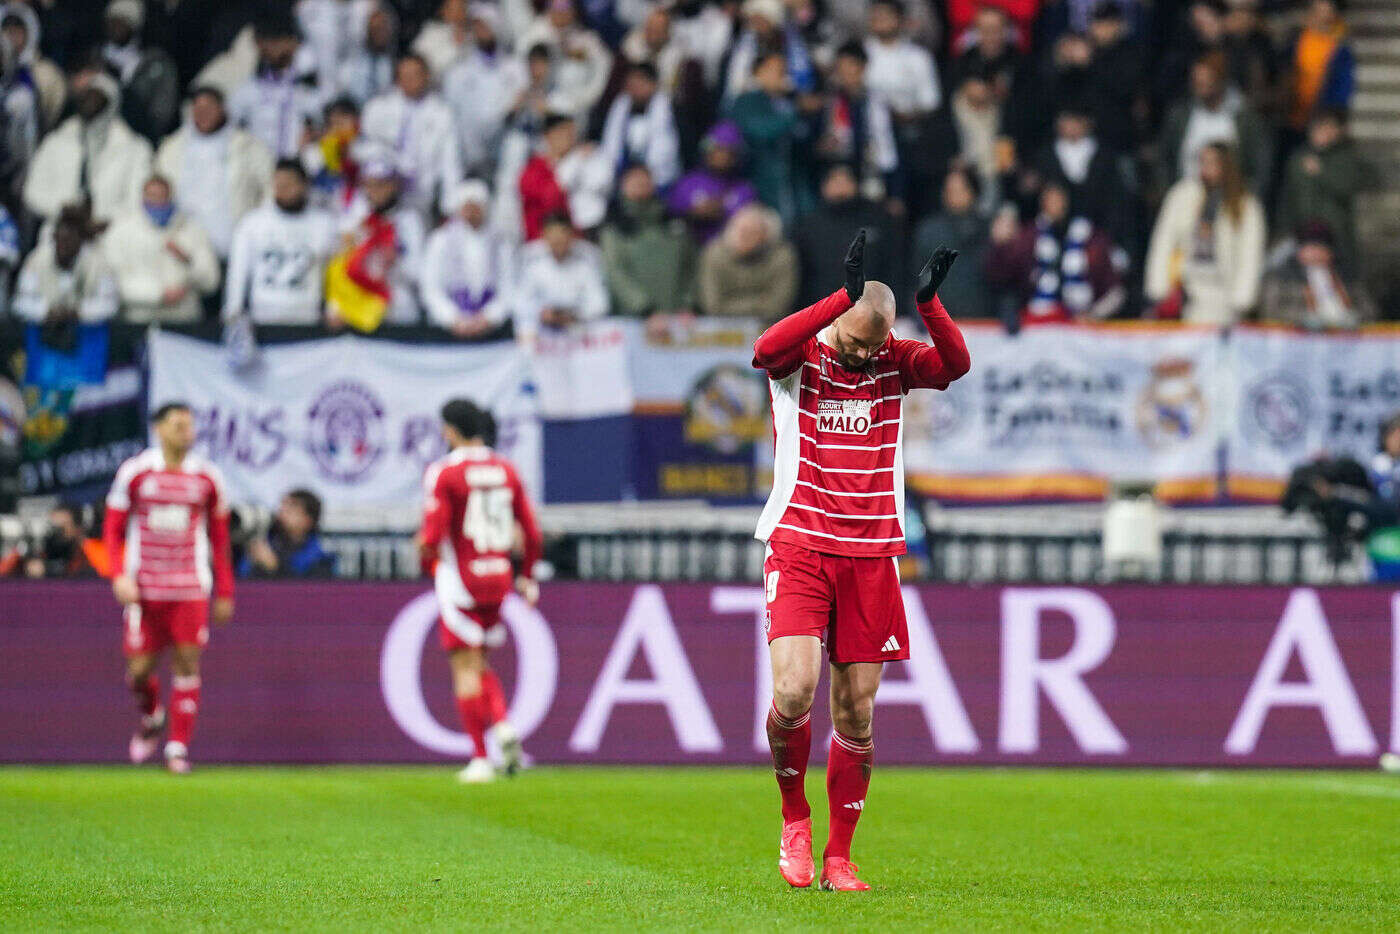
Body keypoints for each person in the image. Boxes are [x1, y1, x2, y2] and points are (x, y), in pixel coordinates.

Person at [752, 231, 969, 891]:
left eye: (873, 346)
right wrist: (836, 299)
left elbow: (953, 366)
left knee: (858, 713)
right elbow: (763, 349)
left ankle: (839, 858)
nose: (861, 356)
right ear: (837, 321)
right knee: (793, 690)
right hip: (801, 538)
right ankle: (795, 818)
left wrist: (930, 306)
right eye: (852, 341)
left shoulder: (893, 360)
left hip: (872, 551)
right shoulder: (803, 356)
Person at [103, 402, 235, 775]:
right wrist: (118, 575)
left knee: (187, 663)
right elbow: (112, 529)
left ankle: (177, 749)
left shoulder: (207, 478)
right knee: (139, 671)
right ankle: (151, 717)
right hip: (144, 589)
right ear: (159, 429)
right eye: (178, 425)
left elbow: (220, 537)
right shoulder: (136, 472)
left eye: (190, 426)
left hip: (190, 588)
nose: (186, 432)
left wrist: (225, 590)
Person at [417, 398, 542, 783]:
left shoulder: (444, 472)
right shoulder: (506, 468)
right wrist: (529, 575)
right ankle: (503, 725)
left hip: (461, 580)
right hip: (498, 575)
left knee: (464, 669)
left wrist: (431, 565)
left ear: (451, 429)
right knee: (481, 663)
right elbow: (532, 531)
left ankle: (479, 757)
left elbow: (432, 536)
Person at [1145, 141, 1264, 325]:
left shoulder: (1245, 204)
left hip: (1223, 292)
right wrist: (1158, 287)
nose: (1205, 168)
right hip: (1185, 289)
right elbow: (1163, 241)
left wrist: (1242, 298)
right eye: (1202, 162)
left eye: (1212, 162)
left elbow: (1250, 253)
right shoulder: (1182, 195)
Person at [155, 86, 275, 262]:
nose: (203, 114)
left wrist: (258, 229)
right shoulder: (171, 148)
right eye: (198, 108)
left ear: (222, 109)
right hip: (187, 249)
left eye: (209, 108)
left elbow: (270, 188)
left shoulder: (249, 146)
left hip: (235, 248)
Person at [23, 69, 153, 225]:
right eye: (87, 95)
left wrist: (100, 218)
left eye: (97, 96)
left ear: (111, 103)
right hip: (59, 233)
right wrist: (62, 209)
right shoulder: (57, 140)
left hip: (109, 235)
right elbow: (32, 192)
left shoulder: (135, 149)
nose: (90, 102)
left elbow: (137, 202)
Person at [224, 159, 339, 326]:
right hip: (262, 318)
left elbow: (333, 271)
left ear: (304, 185)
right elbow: (238, 270)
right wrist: (233, 310)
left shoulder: (324, 224)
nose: (282, 191)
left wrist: (333, 308)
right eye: (278, 185)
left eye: (289, 184)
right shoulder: (253, 223)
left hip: (307, 319)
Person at [103, 175, 221, 324]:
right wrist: (159, 294)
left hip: (184, 319)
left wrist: (187, 261)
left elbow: (211, 282)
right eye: (152, 196)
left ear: (171, 197)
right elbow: (115, 282)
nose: (157, 202)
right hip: (140, 319)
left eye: (162, 196)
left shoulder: (192, 229)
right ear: (142, 196)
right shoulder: (122, 231)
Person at [359, 53, 462, 219]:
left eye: (415, 75)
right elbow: (366, 147)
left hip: (420, 195)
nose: (410, 81)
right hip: (383, 190)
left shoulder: (442, 113)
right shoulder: (379, 107)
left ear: (426, 76)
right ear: (397, 79)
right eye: (404, 76)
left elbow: (450, 163)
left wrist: (451, 206)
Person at [327, 156, 426, 329]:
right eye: (370, 185)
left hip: (399, 309)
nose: (375, 191)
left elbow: (418, 273)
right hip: (359, 309)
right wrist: (335, 307)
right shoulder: (354, 222)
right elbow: (338, 270)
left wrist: (396, 262)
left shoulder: (410, 222)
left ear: (394, 186)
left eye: (382, 184)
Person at [1276, 107, 1377, 275]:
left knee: (1339, 283)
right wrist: (1284, 228)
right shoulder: (1298, 158)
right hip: (1303, 232)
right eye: (1319, 127)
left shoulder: (1346, 157)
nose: (1324, 133)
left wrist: (1321, 172)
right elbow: (1288, 196)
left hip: (1335, 235)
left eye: (1329, 128)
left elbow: (1347, 186)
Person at [599, 164, 697, 325]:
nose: (641, 182)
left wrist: (688, 305)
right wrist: (645, 310)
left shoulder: (674, 224)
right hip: (632, 323)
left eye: (646, 178)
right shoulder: (614, 228)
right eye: (634, 179)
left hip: (679, 320)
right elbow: (616, 274)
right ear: (622, 185)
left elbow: (691, 267)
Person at [792, 164, 896, 309]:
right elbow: (800, 275)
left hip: (870, 307)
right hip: (821, 309)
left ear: (856, 184)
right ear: (823, 186)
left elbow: (893, 265)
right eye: (834, 181)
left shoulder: (878, 219)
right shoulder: (807, 225)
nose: (840, 187)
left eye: (845, 180)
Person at [422, 179, 516, 338]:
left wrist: (489, 317)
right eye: (467, 207)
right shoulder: (440, 240)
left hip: (491, 329)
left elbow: (509, 287)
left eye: (476, 207)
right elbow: (430, 287)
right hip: (448, 328)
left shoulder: (500, 242)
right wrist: (452, 318)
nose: (471, 212)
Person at [228, 15, 324, 159]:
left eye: (274, 41)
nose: (268, 47)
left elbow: (324, 123)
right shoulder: (251, 87)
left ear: (293, 42)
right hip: (261, 167)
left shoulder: (309, 82)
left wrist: (315, 135)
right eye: (264, 41)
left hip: (298, 168)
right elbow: (230, 125)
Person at [1259, 221, 1377, 331]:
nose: (1316, 253)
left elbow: (1369, 310)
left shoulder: (1346, 277)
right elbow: (1271, 310)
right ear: (1299, 251)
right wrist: (1302, 318)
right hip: (1298, 338)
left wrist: (1354, 317)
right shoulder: (1282, 277)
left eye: (1321, 248)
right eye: (1310, 248)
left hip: (1345, 336)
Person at [12, 207, 119, 324]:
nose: (64, 246)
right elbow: (20, 302)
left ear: (81, 241)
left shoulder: (98, 263)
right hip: (44, 332)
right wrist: (47, 311)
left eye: (69, 240)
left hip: (86, 334)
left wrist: (79, 312)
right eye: (61, 240)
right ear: (54, 237)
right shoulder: (36, 260)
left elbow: (110, 305)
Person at [910, 167, 992, 319]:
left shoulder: (990, 229)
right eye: (949, 190)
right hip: (941, 321)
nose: (953, 195)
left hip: (983, 321)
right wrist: (916, 308)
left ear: (973, 192)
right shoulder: (928, 230)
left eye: (959, 190)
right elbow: (915, 277)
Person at [514, 212, 610, 339]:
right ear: (544, 236)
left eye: (562, 234)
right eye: (552, 235)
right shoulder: (533, 265)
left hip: (578, 328)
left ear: (571, 235)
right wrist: (542, 313)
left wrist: (573, 315)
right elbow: (521, 302)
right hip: (544, 332)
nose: (557, 240)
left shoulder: (585, 263)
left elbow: (600, 303)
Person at [698, 204, 797, 320]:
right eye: (742, 231)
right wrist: (760, 302)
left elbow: (778, 306)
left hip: (771, 325)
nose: (746, 238)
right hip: (722, 327)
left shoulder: (782, 256)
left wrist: (731, 304)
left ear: (767, 236)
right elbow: (713, 305)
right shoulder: (714, 254)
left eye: (753, 232)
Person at [102, 0, 180, 145]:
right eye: (113, 20)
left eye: (124, 21)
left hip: (137, 140)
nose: (116, 27)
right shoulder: (93, 60)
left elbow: (162, 115)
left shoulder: (157, 64)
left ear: (135, 25)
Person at [666, 121, 757, 244]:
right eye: (717, 150)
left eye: (728, 151)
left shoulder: (744, 190)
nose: (721, 156)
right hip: (691, 250)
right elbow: (669, 219)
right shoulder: (688, 183)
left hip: (731, 253)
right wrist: (693, 215)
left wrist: (724, 213)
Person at [599, 61, 681, 189]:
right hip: (623, 173)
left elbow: (669, 151)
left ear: (653, 84)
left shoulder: (672, 110)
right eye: (631, 84)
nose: (635, 88)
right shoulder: (619, 107)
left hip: (659, 177)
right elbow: (610, 145)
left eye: (640, 83)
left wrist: (646, 175)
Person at [239, 489, 336, 577]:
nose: (282, 512)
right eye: (282, 507)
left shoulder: (321, 556)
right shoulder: (265, 541)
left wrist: (275, 567)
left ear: (307, 520)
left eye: (290, 509)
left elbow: (311, 590)